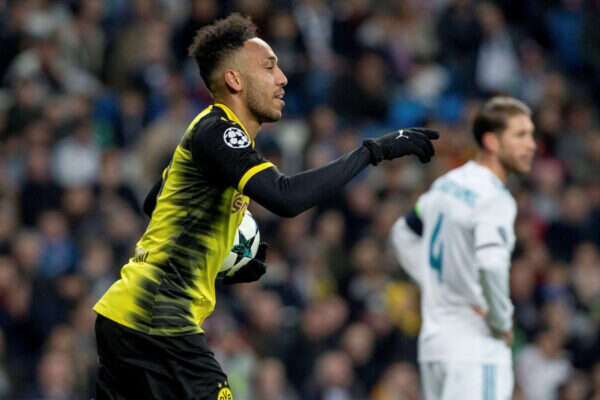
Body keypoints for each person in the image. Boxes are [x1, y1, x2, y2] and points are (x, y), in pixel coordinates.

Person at [93, 13, 439, 400]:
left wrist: (222, 249)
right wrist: (373, 151)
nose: (283, 78)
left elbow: (154, 203)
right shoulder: (220, 131)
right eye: (269, 67)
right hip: (158, 318)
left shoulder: (204, 131)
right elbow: (285, 197)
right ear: (235, 80)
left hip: (125, 316)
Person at [389, 96, 536, 399]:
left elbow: (402, 233)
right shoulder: (495, 198)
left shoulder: (448, 184)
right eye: (520, 135)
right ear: (492, 141)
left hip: (435, 347)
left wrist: (434, 282)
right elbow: (491, 263)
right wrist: (501, 321)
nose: (531, 145)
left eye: (531, 135)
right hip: (475, 348)